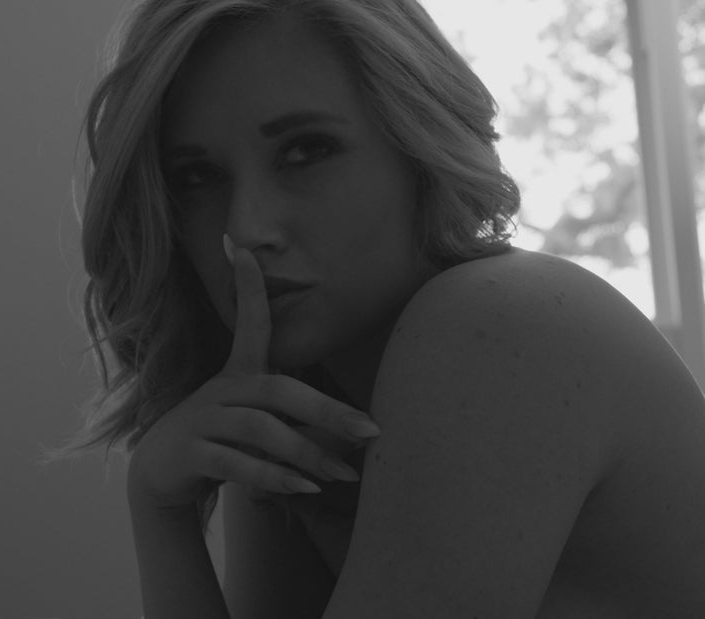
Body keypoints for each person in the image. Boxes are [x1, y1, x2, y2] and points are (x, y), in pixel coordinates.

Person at [43, 0, 705, 617]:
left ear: (416, 142)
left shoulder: (499, 321)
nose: (245, 228)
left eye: (306, 150)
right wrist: (160, 510)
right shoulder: (293, 399)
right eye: (196, 177)